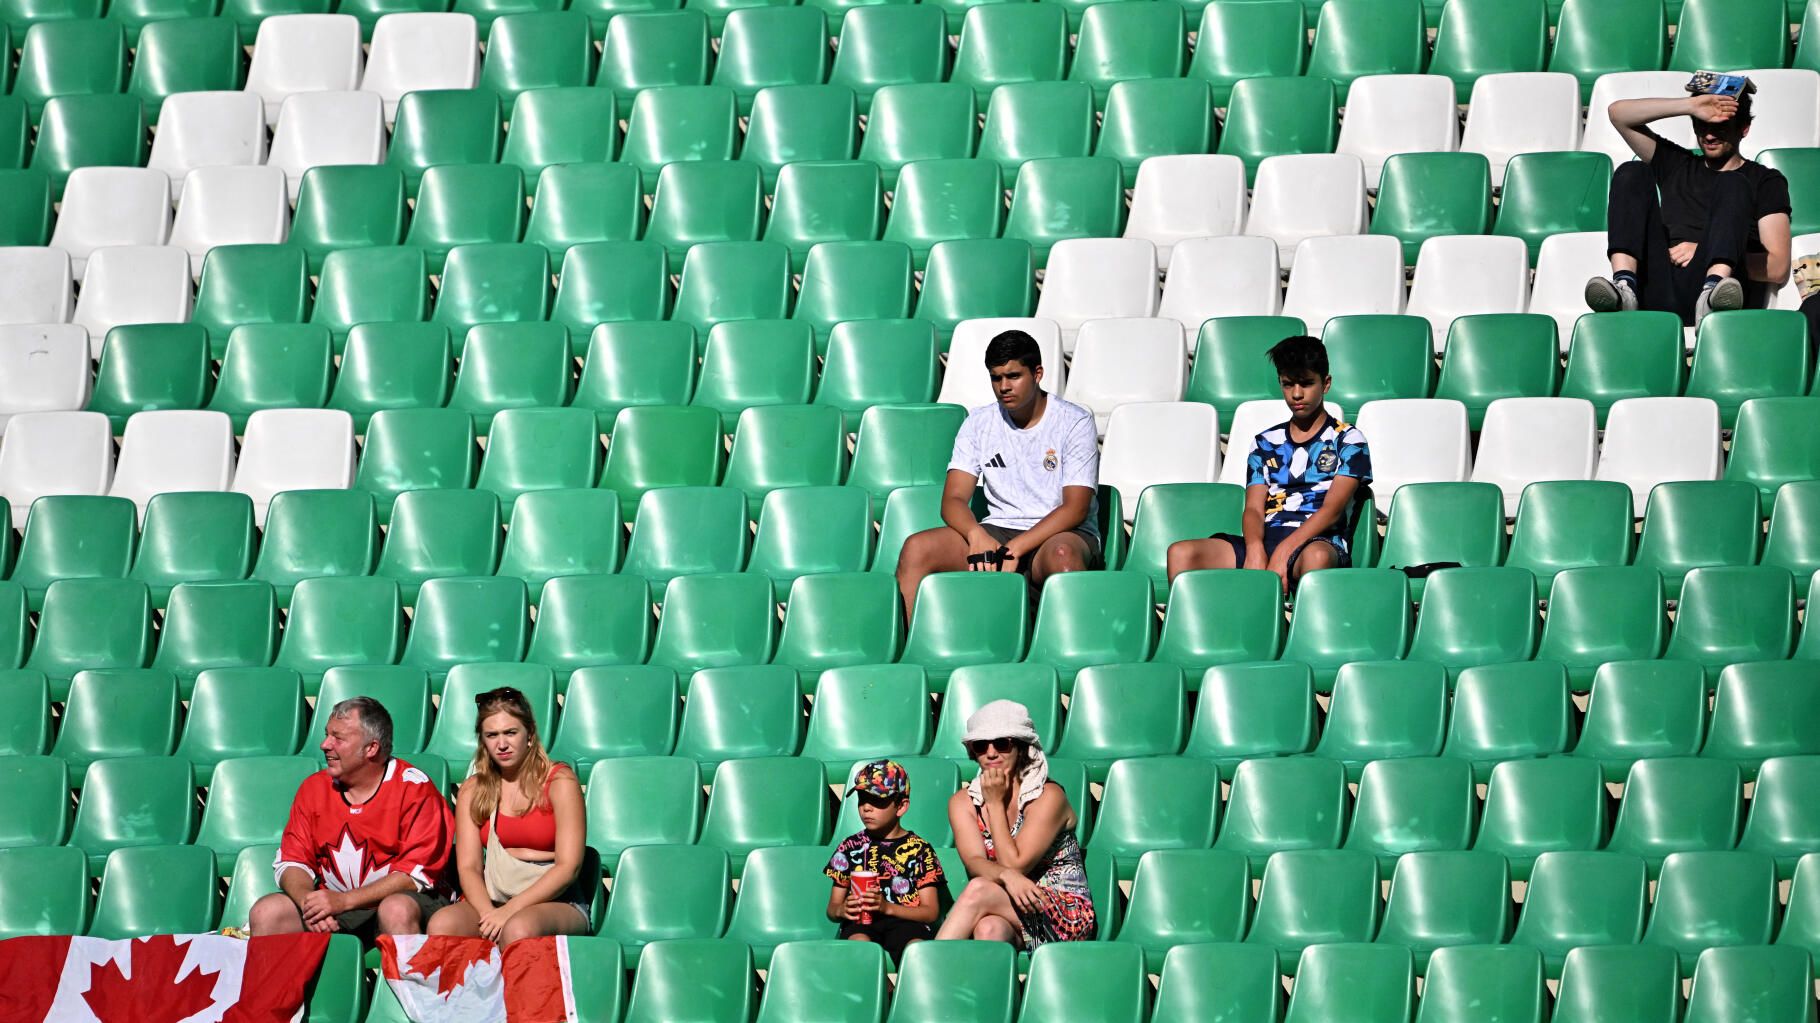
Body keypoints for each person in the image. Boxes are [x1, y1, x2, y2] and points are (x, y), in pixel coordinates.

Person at [896, 329, 1101, 620]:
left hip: (1059, 534)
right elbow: (953, 498)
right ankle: (907, 650)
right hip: (998, 531)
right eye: (996, 377)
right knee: (917, 548)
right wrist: (975, 533)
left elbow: (1075, 508)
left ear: (1038, 373)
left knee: (1063, 557)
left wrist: (1017, 547)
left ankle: (1076, 650)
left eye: (1014, 376)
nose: (1004, 386)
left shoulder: (1075, 421)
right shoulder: (979, 422)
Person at [1166, 335, 1371, 589]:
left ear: (1326, 384)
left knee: (1316, 557)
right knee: (1181, 553)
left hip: (1318, 540)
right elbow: (1253, 508)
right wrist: (1254, 548)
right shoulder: (1264, 442)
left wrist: (1285, 550)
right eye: (1288, 384)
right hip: (1266, 536)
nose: (1297, 394)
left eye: (1307, 384)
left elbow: (1332, 510)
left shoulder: (1349, 440)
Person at [1585, 75, 1792, 325]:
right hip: (1661, 283)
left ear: (1744, 129)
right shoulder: (1677, 164)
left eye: (1721, 127)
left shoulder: (1765, 180)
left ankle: (1712, 292)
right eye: (1702, 125)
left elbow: (1778, 267)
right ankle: (1625, 287)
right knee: (1631, 171)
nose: (1709, 135)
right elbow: (1618, 114)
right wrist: (1690, 106)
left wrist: (1704, 252)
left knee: (1732, 182)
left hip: (1719, 286)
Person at [251, 697, 456, 942]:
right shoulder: (314, 788)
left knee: (396, 909)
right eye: (327, 735)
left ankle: (410, 980)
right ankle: (272, 982)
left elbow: (414, 876)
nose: (325, 744)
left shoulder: (415, 790)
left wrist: (344, 901)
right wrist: (310, 903)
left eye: (338, 738)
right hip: (336, 902)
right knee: (268, 912)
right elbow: (292, 861)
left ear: (371, 748)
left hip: (407, 900)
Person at [427, 687, 593, 946]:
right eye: (492, 735)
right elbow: (469, 867)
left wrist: (509, 911)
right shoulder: (473, 789)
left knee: (517, 929)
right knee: (442, 925)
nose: (502, 744)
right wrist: (487, 914)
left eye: (510, 733)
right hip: (493, 895)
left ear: (530, 735)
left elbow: (568, 867)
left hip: (556, 900)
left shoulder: (560, 780)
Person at [936, 701, 1094, 948]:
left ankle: (927, 973)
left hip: (1061, 912)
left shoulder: (1048, 797)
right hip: (1008, 904)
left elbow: (1015, 864)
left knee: (979, 889)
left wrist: (995, 804)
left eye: (1002, 743)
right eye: (980, 746)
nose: (991, 753)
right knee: (989, 928)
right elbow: (974, 862)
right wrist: (1006, 876)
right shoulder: (962, 803)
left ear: (1021, 748)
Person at [823, 759, 948, 965]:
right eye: (862, 799)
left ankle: (907, 993)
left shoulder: (919, 849)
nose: (866, 808)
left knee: (915, 950)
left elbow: (931, 911)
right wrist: (842, 909)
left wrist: (886, 907)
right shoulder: (850, 846)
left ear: (901, 806)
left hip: (906, 921)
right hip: (860, 923)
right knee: (858, 945)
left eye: (877, 801)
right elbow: (832, 907)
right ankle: (883, 992)